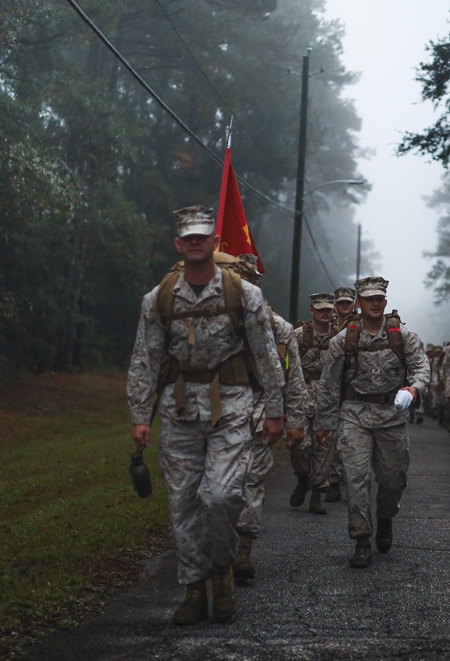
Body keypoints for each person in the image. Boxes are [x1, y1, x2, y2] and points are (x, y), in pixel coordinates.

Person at [127, 205, 286, 625]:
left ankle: (222, 571)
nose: (196, 242)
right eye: (188, 237)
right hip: (179, 411)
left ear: (214, 242)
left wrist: (274, 409)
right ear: (179, 245)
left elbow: (266, 355)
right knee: (183, 504)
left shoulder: (244, 294)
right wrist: (141, 414)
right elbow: (146, 359)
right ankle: (194, 588)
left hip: (232, 406)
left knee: (221, 497)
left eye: (203, 236)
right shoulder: (159, 298)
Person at [313, 277, 430, 568]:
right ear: (359, 303)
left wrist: (414, 388)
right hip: (354, 414)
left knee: (393, 480)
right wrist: (323, 423)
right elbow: (328, 383)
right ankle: (362, 540)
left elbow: (421, 368)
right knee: (356, 479)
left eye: (379, 298)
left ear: (386, 301)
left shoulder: (402, 336)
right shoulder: (345, 339)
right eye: (368, 299)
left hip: (391, 416)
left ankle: (386, 517)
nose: (375, 303)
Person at [234, 302, 308, 577]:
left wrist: (296, 422)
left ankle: (243, 548)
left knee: (252, 481)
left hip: (260, 414)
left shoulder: (278, 328)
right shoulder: (206, 315)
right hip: (213, 417)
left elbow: (293, 377)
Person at [289, 293, 339, 514]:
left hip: (328, 398)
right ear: (312, 311)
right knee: (299, 446)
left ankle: (318, 493)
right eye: (320, 309)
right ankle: (302, 478)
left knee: (324, 449)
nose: (325, 313)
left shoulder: (340, 337)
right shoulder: (298, 335)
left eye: (328, 309)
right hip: (301, 395)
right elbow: (287, 365)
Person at [323, 286, 357, 502]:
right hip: (328, 381)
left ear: (354, 303)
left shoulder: (361, 324)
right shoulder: (325, 322)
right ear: (336, 304)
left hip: (352, 385)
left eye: (348, 302)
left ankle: (347, 475)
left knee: (349, 436)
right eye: (341, 303)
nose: (344, 306)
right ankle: (332, 480)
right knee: (330, 435)